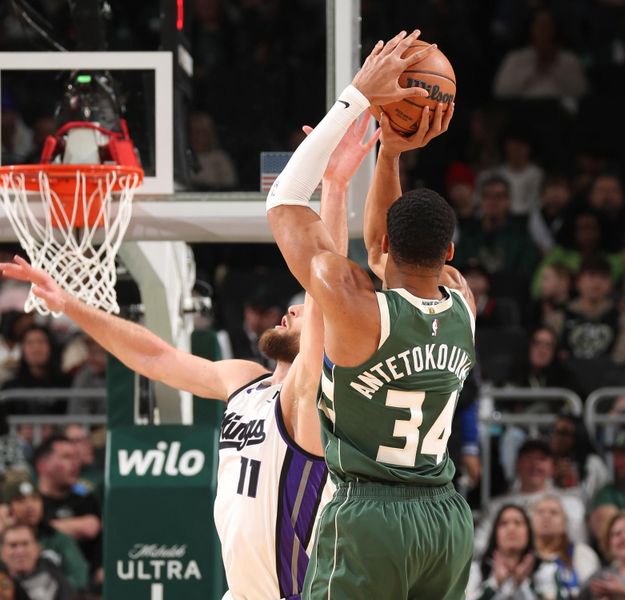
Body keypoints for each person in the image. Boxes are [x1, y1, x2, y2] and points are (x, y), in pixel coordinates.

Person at [0, 114, 379, 599]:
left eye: (305, 309)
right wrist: (72, 304)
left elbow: (327, 278)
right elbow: (156, 358)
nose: (292, 308)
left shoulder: (309, 398)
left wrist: (335, 186)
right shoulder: (246, 380)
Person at [267, 30, 476, 598]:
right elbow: (387, 247)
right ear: (448, 254)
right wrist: (392, 152)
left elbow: (283, 203)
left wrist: (357, 97)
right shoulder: (462, 301)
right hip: (446, 520)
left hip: (369, 516)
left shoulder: (352, 302)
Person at [477, 440, 588, 555]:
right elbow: (480, 545)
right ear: (517, 464)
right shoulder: (496, 507)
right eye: (529, 458)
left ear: (552, 467)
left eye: (542, 459)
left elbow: (579, 548)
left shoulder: (570, 503)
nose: (535, 465)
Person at [2, 474, 88, 592]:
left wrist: (50, 590)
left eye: (35, 499)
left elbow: (79, 579)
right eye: (20, 500)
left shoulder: (58, 538)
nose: (30, 506)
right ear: (8, 508)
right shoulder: (3, 541)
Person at [32, 435, 101, 577]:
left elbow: (90, 528)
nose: (75, 463)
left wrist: (40, 528)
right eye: (66, 457)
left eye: (76, 457)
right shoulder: (31, 501)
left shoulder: (85, 498)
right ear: (42, 465)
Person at [529, 495, 600, 599]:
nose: (546, 516)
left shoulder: (581, 553)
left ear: (564, 522)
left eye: (554, 512)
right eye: (540, 512)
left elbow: (593, 591)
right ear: (531, 521)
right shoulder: (524, 556)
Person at [467, 504, 536, 600]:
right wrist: (495, 583)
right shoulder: (476, 570)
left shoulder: (543, 570)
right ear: (495, 533)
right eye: (504, 523)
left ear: (529, 532)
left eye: (518, 523)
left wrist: (520, 583)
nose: (511, 528)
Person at [547, 414, 610, 505]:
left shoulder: (593, 463)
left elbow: (602, 498)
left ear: (578, 436)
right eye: (553, 430)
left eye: (563, 433)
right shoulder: (543, 461)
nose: (556, 436)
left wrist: (574, 486)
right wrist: (550, 479)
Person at [0, 523, 71, 600]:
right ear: (2, 552)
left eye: (25, 544)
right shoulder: (2, 579)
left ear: (37, 548)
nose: (20, 551)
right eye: (13, 545)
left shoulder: (57, 580)